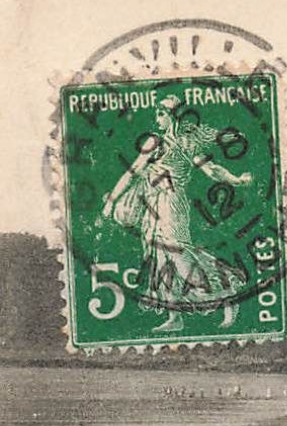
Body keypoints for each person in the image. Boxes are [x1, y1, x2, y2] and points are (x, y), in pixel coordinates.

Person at [99, 95, 254, 332]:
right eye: (157, 114)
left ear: (173, 117)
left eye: (161, 114)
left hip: (172, 203)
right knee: (160, 261)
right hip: (152, 204)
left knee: (179, 257)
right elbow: (132, 172)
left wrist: (237, 180)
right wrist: (111, 200)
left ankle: (227, 293)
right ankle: (175, 318)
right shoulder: (155, 142)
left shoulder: (185, 143)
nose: (157, 118)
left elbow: (211, 171)